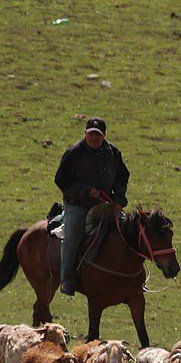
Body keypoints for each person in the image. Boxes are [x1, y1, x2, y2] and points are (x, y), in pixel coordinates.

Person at [53, 117, 128, 296]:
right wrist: (86, 191)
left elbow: (122, 176)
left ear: (104, 136)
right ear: (85, 134)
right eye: (91, 134)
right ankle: (68, 279)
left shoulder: (113, 153)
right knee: (73, 234)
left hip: (105, 205)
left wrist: (119, 198)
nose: (94, 138)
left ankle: (131, 279)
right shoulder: (74, 152)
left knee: (126, 228)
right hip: (78, 205)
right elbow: (61, 180)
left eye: (98, 135)